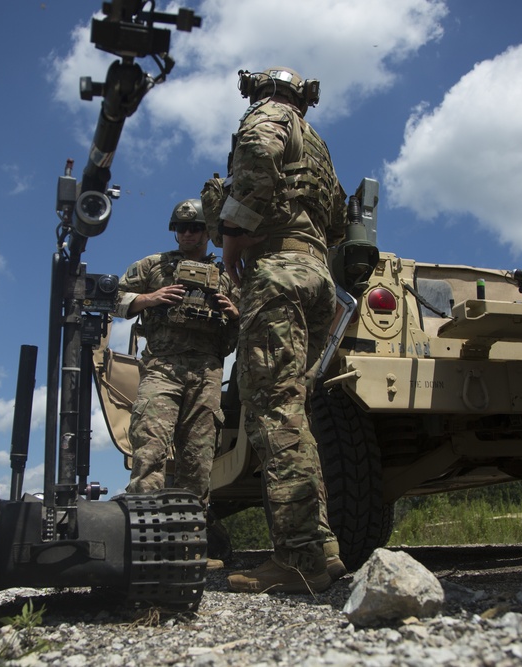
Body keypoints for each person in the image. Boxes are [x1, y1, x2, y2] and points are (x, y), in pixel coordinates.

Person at [214, 67, 348, 593]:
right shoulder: (316, 143)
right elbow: (337, 220)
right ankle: (320, 548)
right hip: (316, 275)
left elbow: (256, 159)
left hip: (277, 272)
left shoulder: (266, 118)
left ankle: (300, 558)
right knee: (293, 412)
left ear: (263, 90)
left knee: (273, 412)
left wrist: (231, 243)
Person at [115, 198, 239, 568]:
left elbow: (245, 320)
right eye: (181, 228)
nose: (187, 234)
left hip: (207, 372)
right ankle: (143, 543)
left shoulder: (229, 273)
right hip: (162, 368)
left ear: (207, 232)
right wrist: (148, 298)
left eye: (195, 228)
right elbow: (111, 297)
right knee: (150, 446)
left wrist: (236, 313)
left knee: (197, 461)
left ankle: (187, 548)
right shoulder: (153, 266)